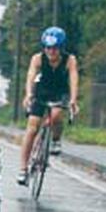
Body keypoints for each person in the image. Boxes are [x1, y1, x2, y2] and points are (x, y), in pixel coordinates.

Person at [17, 27, 80, 186]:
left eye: (54, 48)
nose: (51, 52)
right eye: (47, 48)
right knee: (32, 128)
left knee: (57, 115)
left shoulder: (70, 60)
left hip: (60, 92)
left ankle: (55, 140)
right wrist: (28, 94)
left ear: (61, 47)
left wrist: (73, 99)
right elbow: (31, 76)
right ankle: (23, 169)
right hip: (41, 92)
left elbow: (73, 79)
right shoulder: (37, 59)